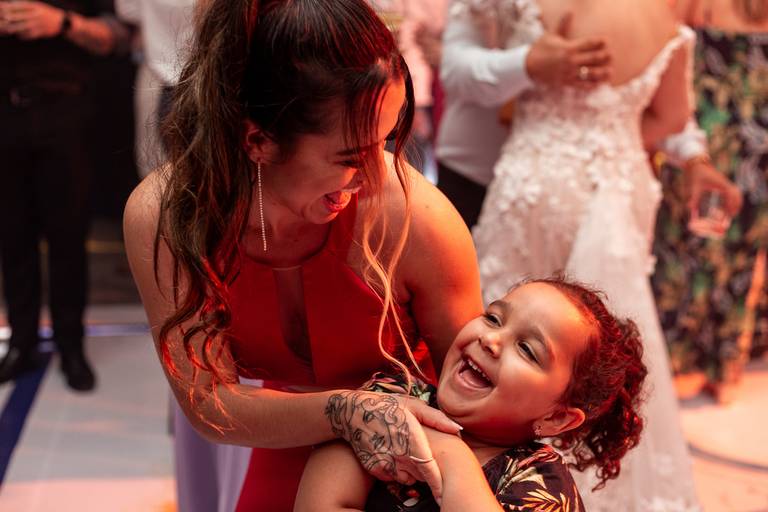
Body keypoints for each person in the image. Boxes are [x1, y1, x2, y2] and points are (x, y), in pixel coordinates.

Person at [123, 0, 483, 510]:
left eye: (384, 141)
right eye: (349, 157)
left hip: (425, 457)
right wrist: (345, 412)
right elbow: (209, 403)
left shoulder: (413, 215)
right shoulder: (167, 217)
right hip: (287, 435)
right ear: (258, 140)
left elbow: (476, 401)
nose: (374, 177)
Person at [468, 0, 702, 510]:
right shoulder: (664, 18)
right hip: (614, 185)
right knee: (598, 344)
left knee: (508, 324)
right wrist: (609, 134)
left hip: (535, 178)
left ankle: (490, 464)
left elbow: (477, 82)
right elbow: (670, 117)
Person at [294, 277, 648, 512]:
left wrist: (449, 453)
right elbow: (317, 505)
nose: (491, 340)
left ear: (556, 417)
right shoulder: (390, 396)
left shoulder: (543, 487)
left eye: (527, 349)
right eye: (493, 318)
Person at [0, 0, 129, 391]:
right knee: (12, 237)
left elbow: (117, 38)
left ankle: (70, 344)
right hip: (5, 115)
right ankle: (21, 342)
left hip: (66, 114)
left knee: (68, 237)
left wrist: (62, 22)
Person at [653, 0, 768, 404]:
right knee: (678, 253)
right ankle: (668, 362)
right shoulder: (701, 3)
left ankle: (723, 365)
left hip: (757, 156)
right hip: (699, 145)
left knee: (741, 258)